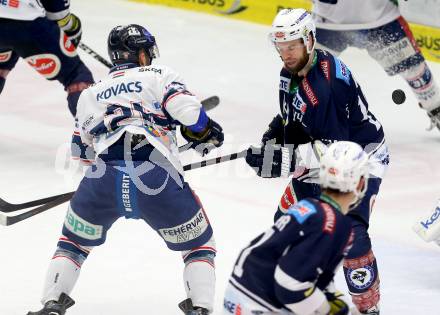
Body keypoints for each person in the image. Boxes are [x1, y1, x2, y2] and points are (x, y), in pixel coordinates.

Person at [27, 24, 224, 315]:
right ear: (140, 54)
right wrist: (206, 132)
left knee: (72, 245)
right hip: (155, 179)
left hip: (101, 179)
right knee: (200, 248)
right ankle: (201, 308)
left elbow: (81, 153)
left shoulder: (90, 94)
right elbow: (192, 115)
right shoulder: (160, 75)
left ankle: (51, 305)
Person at [245, 9, 390, 315]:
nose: (285, 54)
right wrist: (274, 136)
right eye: (281, 48)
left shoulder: (328, 85)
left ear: (309, 40)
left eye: (292, 46)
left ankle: (368, 306)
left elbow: (336, 153)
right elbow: (293, 121)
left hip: (360, 158)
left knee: (350, 233)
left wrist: (280, 161)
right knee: (286, 222)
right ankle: (317, 295)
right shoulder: (291, 71)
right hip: (320, 156)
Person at [224, 141, 369, 315]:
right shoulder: (337, 225)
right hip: (260, 304)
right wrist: (325, 309)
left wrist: (332, 300)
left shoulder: (310, 205)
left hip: (239, 293)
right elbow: (289, 284)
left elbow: (310, 271)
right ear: (360, 183)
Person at [312, 0, 440, 131]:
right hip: (328, 23)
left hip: (381, 18)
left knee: (415, 71)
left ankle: (436, 108)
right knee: (307, 72)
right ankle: (300, 115)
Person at [0, 0, 94, 116]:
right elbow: (58, 14)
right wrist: (72, 28)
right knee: (75, 76)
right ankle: (95, 130)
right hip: (24, 18)